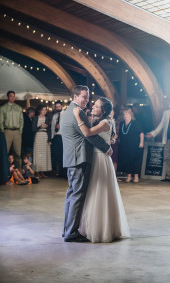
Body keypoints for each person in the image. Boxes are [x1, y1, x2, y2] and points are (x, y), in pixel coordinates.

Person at [73, 97, 130, 243]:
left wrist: (77, 116)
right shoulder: (102, 121)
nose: (92, 107)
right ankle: (94, 226)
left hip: (100, 159)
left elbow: (87, 133)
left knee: (99, 192)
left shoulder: (106, 122)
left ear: (103, 110)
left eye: (96, 106)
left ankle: (101, 229)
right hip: (98, 157)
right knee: (93, 193)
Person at [60, 85, 112, 243]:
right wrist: (106, 147)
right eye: (84, 96)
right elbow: (88, 135)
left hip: (72, 158)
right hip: (80, 158)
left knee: (71, 195)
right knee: (77, 196)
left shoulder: (67, 111)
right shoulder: (78, 112)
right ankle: (71, 232)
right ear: (75, 97)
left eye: (88, 97)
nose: (87, 100)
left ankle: (67, 230)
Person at [146, 98, 170, 182]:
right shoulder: (166, 113)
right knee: (167, 158)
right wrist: (153, 133)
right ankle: (168, 176)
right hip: (166, 139)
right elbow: (161, 125)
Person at [117, 106, 144, 183]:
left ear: (131, 115)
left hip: (134, 145)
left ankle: (136, 177)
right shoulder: (122, 124)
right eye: (124, 114)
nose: (125, 116)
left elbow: (141, 133)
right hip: (124, 145)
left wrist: (141, 142)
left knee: (135, 160)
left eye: (127, 114)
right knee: (127, 160)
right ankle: (129, 176)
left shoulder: (136, 123)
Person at [0, 91, 24, 170]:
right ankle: (5, 172)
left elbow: (21, 120)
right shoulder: (3, 108)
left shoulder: (18, 108)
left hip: (17, 132)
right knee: (4, 152)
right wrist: (3, 131)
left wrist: (20, 131)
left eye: (14, 96)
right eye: (11, 96)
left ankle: (19, 171)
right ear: (7, 97)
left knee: (18, 153)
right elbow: (1, 121)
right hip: (7, 131)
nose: (12, 97)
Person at [32, 105, 52, 179]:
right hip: (38, 136)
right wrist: (40, 126)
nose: (44, 111)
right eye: (43, 110)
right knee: (38, 154)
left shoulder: (47, 118)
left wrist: (49, 140)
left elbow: (49, 130)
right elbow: (33, 129)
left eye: (45, 110)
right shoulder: (35, 118)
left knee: (44, 154)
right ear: (40, 110)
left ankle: (42, 172)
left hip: (45, 136)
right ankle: (37, 172)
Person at [51, 101, 64, 177]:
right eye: (56, 107)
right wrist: (51, 138)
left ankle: (63, 172)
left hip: (63, 137)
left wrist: (60, 126)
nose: (58, 108)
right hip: (56, 137)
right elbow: (52, 127)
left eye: (59, 106)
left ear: (62, 106)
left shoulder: (66, 115)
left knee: (63, 155)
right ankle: (58, 171)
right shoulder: (54, 116)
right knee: (57, 155)